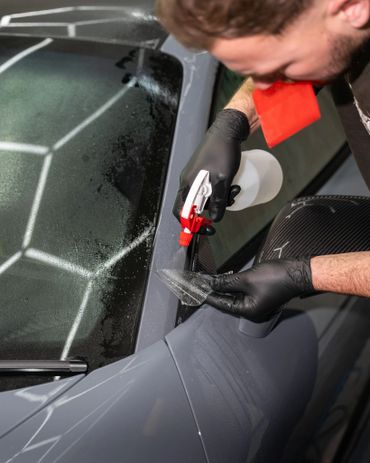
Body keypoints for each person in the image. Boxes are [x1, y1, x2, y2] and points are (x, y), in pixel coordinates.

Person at [156, 0, 370, 321]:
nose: (264, 87)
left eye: (278, 68)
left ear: (352, 7)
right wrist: (233, 121)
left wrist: (303, 275)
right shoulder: (335, 30)